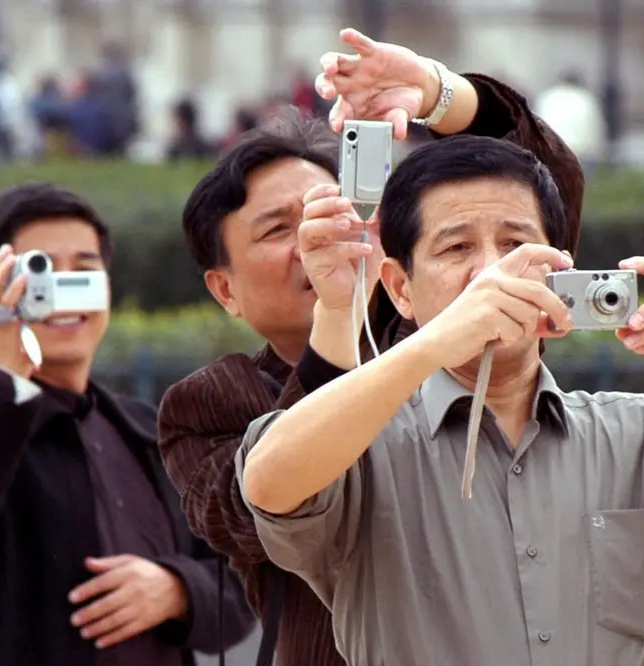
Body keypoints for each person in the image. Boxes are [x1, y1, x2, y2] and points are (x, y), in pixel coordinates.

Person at [237, 135, 644, 666]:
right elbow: (269, 482)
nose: (490, 273)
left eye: (515, 244)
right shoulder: (360, 443)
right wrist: (437, 341)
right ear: (400, 289)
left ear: (559, 270)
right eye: (456, 249)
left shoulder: (643, 433)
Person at [157, 28, 584, 666]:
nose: (315, 238)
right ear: (225, 289)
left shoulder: (440, 323)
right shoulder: (207, 407)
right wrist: (337, 320)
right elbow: (266, 511)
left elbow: (537, 193)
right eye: (279, 230)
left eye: (330, 209)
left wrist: (438, 95)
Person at [0, 183, 254, 666]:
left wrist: (176, 589)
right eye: (37, 271)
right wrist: (7, 378)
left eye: (83, 271)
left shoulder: (150, 429)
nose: (60, 292)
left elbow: (240, 581)